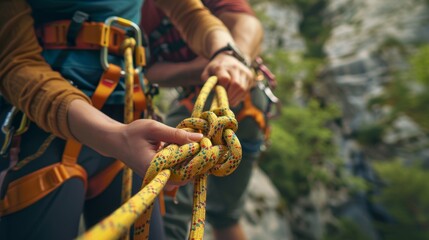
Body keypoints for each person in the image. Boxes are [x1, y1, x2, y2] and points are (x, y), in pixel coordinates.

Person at [0, 0, 254, 239]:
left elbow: (190, 13)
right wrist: (114, 135)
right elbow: (14, 61)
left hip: (132, 126)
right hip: (49, 131)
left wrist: (224, 51)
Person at [140, 1, 268, 239]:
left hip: (238, 95)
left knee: (169, 205)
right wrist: (205, 66)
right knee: (225, 216)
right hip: (217, 99)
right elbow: (149, 70)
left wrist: (234, 60)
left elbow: (246, 22)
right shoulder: (134, 10)